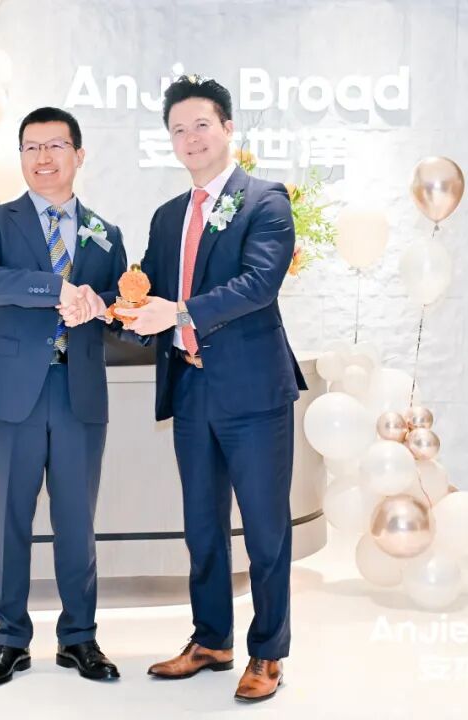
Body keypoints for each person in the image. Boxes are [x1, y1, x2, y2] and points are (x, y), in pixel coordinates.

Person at [115, 76, 307, 703]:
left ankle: (268, 651)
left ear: (227, 129)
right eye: (178, 129)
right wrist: (119, 309)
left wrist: (177, 313)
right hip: (191, 390)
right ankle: (212, 639)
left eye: (201, 125)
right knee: (201, 526)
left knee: (265, 530)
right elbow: (150, 294)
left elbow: (258, 285)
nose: (191, 138)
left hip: (254, 394)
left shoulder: (266, 200)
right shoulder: (168, 216)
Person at [0, 106, 126, 686]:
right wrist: (56, 287)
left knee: (78, 521)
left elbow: (120, 305)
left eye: (55, 145)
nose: (43, 157)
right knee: (9, 519)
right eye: (31, 147)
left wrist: (106, 305)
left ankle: (79, 638)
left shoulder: (106, 232)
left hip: (79, 392)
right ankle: (9, 641)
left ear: (79, 154)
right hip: (13, 395)